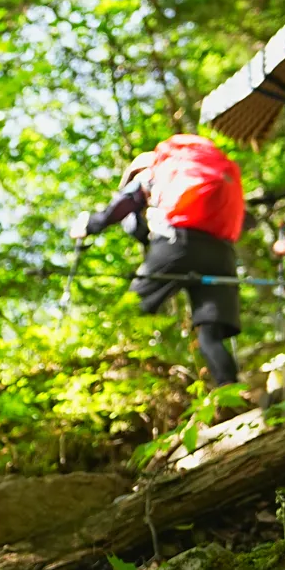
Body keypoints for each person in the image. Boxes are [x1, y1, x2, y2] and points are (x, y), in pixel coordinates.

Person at [75, 130, 247, 386]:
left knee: (130, 311)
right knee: (209, 335)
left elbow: (121, 207)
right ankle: (231, 391)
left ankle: (117, 383)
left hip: (178, 242)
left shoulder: (152, 171)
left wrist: (89, 225)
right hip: (221, 251)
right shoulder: (197, 170)